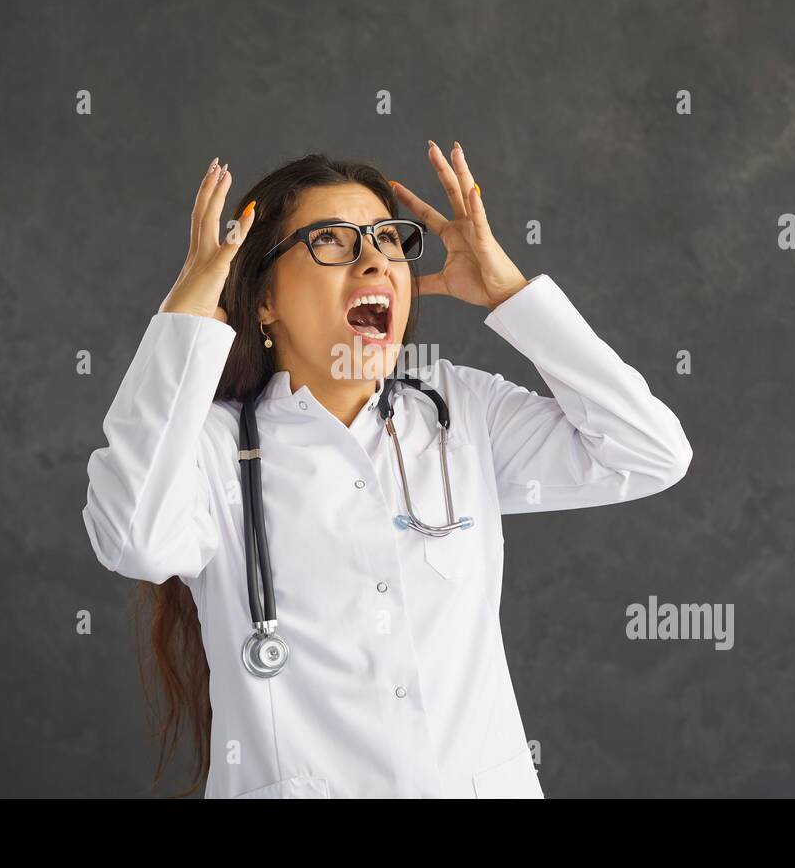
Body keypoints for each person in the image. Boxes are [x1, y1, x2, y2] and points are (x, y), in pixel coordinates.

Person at [82, 142, 693, 798]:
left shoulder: (460, 411)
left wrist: (510, 294)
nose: (374, 257)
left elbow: (648, 452)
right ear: (264, 301)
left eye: (388, 240)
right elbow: (132, 539)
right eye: (332, 242)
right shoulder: (211, 447)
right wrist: (186, 314)